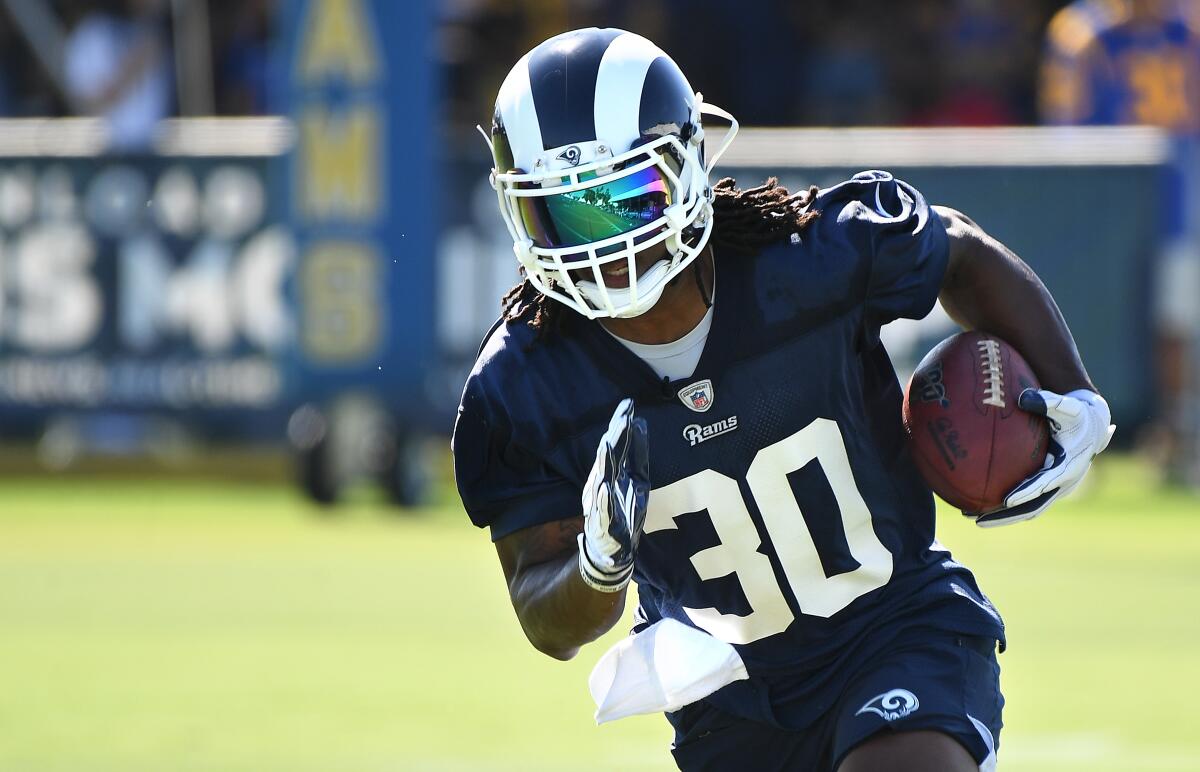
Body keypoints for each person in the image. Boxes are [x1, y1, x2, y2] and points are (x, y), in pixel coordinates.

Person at [453, 28, 1114, 772]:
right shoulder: (524, 381)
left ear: (689, 163)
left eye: (626, 200)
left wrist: (1076, 392)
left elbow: (956, 251)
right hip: (727, 700)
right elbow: (548, 620)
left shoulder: (804, 260)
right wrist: (597, 565)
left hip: (893, 629)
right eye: (563, 216)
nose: (599, 247)